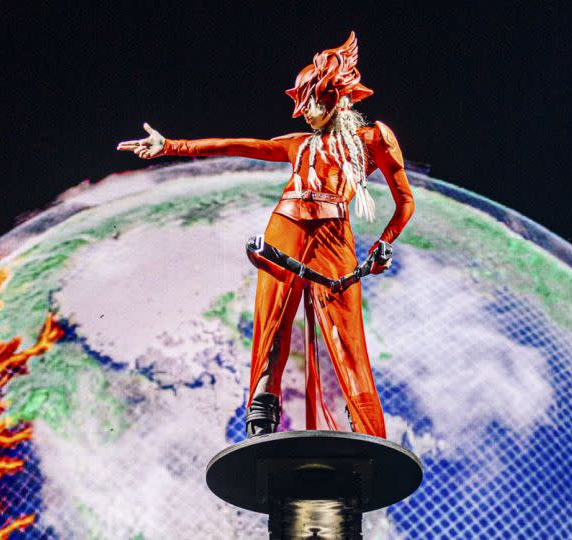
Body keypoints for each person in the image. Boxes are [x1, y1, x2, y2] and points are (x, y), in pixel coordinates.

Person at [117, 32, 413, 439]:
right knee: (272, 322)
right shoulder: (297, 145)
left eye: (313, 99)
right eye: (303, 101)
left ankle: (368, 430)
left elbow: (404, 203)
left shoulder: (374, 139)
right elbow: (237, 146)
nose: (306, 111)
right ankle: (261, 419)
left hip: (333, 235)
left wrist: (384, 243)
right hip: (285, 226)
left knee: (347, 334)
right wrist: (170, 145)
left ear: (336, 95)